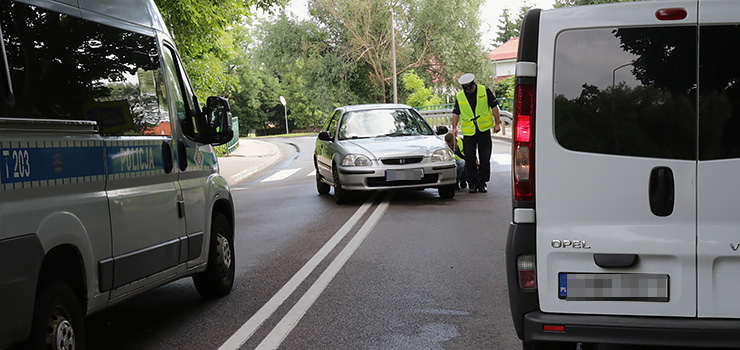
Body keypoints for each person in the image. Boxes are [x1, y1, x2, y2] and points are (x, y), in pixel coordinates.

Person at [451, 73, 501, 193]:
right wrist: (454, 127)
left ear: (474, 84)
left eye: (470, 88)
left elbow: (494, 106)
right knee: (470, 158)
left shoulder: (484, 90)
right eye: (466, 89)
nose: (469, 91)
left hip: (483, 130)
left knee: (485, 157)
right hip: (469, 132)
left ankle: (482, 182)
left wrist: (497, 123)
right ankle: (472, 183)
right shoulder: (460, 96)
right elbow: (456, 113)